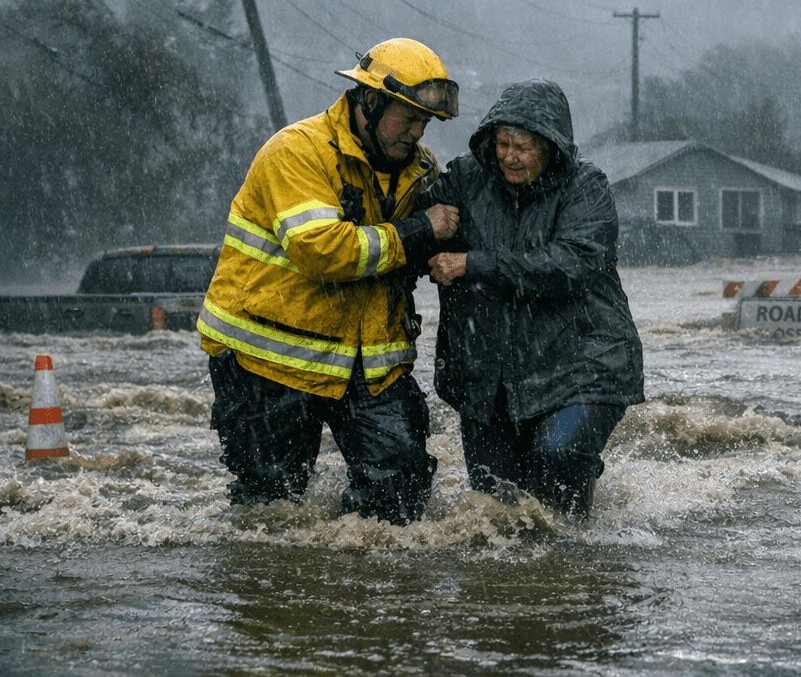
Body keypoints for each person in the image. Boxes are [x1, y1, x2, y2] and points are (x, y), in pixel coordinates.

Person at [197, 38, 462, 525]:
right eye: (407, 117)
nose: (418, 132)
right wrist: (421, 230)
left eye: (425, 122)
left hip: (369, 364)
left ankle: (363, 597)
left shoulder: (421, 170)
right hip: (267, 363)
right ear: (369, 101)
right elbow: (322, 250)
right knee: (270, 511)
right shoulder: (298, 152)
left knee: (398, 501)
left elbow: (413, 255)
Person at [422, 78, 644, 518]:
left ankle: (575, 568)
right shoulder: (467, 178)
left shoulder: (586, 187)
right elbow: (415, 228)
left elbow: (570, 264)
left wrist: (474, 263)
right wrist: (418, 221)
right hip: (489, 373)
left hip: (583, 363)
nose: (510, 155)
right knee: (495, 504)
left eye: (523, 146)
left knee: (557, 461)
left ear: (551, 146)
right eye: (503, 143)